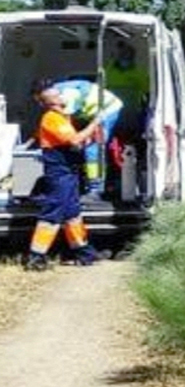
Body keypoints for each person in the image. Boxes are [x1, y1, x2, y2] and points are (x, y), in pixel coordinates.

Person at [25, 84, 102, 270]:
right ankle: (36, 256)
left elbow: (72, 141)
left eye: (58, 92)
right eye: (55, 94)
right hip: (60, 173)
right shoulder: (51, 118)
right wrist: (94, 123)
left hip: (68, 172)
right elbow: (74, 140)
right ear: (48, 102)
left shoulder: (61, 118)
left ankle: (84, 253)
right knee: (53, 212)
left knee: (71, 214)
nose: (60, 95)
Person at [33, 78, 123, 196]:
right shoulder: (55, 92)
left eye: (41, 101)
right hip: (91, 113)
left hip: (107, 111)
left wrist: (80, 138)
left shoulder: (67, 96)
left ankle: (96, 188)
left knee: (93, 148)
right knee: (83, 143)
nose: (41, 105)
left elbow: (66, 126)